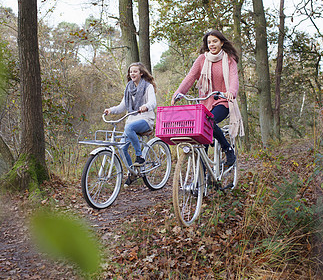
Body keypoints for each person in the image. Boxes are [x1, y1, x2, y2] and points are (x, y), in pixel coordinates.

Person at [171, 29, 244, 167]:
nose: (212, 44)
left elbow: (234, 78)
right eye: (209, 42)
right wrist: (178, 93)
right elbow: (190, 77)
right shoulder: (202, 59)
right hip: (205, 102)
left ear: (222, 43)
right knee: (201, 140)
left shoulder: (229, 59)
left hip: (223, 101)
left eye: (215, 41)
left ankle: (227, 149)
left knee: (209, 122)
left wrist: (231, 92)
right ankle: (203, 180)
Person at [104, 62, 157, 186]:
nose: (132, 73)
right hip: (131, 120)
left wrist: (146, 106)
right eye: (130, 72)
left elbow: (153, 102)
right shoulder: (129, 87)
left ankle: (139, 156)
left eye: (135, 71)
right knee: (122, 148)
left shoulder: (148, 86)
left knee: (128, 127)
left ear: (141, 73)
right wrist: (111, 110)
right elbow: (122, 106)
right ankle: (132, 173)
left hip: (145, 119)